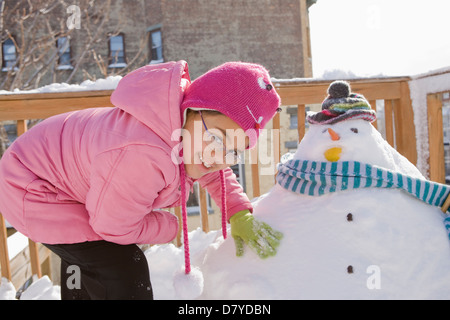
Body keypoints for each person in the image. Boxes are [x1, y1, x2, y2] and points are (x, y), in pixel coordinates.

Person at [0, 61, 283, 300]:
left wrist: (236, 210)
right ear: (193, 109)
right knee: (121, 264)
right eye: (217, 139)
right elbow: (113, 227)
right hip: (33, 189)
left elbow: (213, 169)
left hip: (53, 180)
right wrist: (168, 227)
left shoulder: (183, 130)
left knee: (88, 258)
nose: (219, 156)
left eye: (234, 150)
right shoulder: (145, 154)